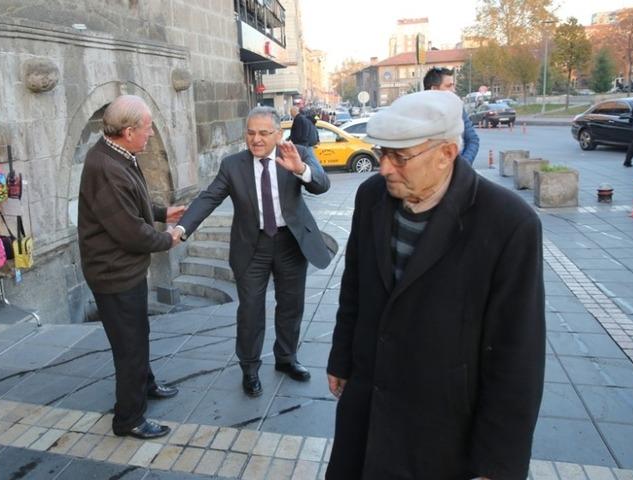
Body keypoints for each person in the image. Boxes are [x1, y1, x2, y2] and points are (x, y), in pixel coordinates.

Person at [326, 91, 545, 479]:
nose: (385, 169)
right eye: (382, 153)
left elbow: (517, 355)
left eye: (400, 157)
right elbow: (355, 285)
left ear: (446, 154)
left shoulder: (509, 224)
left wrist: (497, 465)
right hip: (367, 406)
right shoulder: (371, 198)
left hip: (441, 429)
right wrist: (342, 358)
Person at [174, 106, 331, 396]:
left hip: (291, 244)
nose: (256, 139)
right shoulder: (233, 165)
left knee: (291, 305)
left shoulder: (295, 153)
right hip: (252, 246)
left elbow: (322, 184)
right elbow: (209, 198)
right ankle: (249, 367)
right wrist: (182, 229)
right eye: (250, 133)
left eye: (263, 133)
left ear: (278, 134)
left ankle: (286, 359)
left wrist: (300, 169)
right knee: (250, 311)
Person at [78, 94, 186, 439]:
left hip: (125, 271)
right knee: (130, 347)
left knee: (138, 336)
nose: (151, 133)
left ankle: (146, 384)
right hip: (114, 274)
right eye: (147, 127)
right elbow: (130, 232)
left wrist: (160, 213)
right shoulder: (106, 167)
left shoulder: (120, 154)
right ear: (127, 131)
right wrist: (167, 238)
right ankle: (129, 419)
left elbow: (132, 202)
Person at [424, 66, 480, 164]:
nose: (453, 90)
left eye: (453, 86)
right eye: (449, 86)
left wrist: (462, 167)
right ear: (434, 89)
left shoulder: (458, 109)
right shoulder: (418, 112)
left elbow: (473, 140)